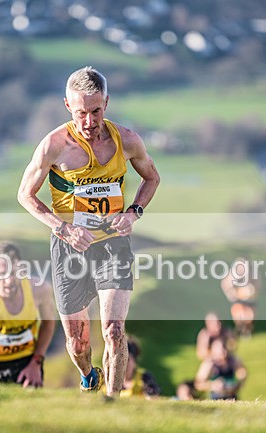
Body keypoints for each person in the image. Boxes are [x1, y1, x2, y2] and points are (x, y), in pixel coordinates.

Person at [17, 66, 161, 395]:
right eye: (81, 112)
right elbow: (25, 194)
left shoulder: (126, 140)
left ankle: (112, 401)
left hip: (114, 245)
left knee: (112, 330)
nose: (89, 121)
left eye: (95, 111)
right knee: (78, 342)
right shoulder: (54, 145)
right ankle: (87, 374)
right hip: (70, 249)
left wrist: (133, 213)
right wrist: (61, 228)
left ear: (106, 103)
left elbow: (152, 177)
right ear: (68, 106)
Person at [0, 241, 56, 387]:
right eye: (1, 274)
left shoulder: (40, 290)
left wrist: (36, 363)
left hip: (28, 362)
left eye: (14, 273)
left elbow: (49, 324)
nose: (9, 281)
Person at [220, 260, 260, 338]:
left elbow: (257, 286)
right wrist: (233, 293)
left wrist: (252, 291)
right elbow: (226, 285)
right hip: (238, 300)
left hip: (249, 300)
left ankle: (247, 330)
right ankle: (241, 330)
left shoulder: (252, 274)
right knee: (240, 315)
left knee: (249, 315)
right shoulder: (233, 274)